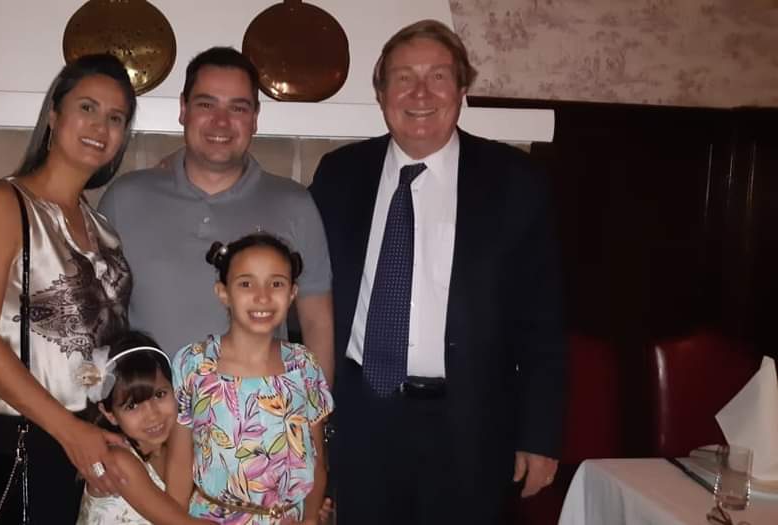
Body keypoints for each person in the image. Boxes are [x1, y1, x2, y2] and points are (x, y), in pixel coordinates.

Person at [307, 19, 568, 523]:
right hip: (361, 419)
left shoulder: (516, 183)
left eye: (438, 76)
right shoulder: (338, 174)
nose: (421, 93)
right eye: (403, 77)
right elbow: (302, 285)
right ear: (381, 93)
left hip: (470, 425)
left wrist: (540, 436)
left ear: (462, 89)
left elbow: (543, 321)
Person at [0, 53, 137, 523]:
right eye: (87, 107)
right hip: (18, 435)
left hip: (90, 439)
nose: (100, 126)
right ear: (54, 115)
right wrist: (70, 433)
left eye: (116, 118)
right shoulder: (1, 202)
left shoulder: (104, 230)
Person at [97, 47, 335, 384]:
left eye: (238, 108)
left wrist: (319, 408)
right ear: (183, 109)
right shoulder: (125, 198)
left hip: (258, 410)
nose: (221, 122)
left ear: (255, 118)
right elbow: (97, 320)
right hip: (150, 409)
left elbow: (317, 323)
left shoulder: (295, 204)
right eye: (206, 105)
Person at [166, 233, 334, 524]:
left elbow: (316, 458)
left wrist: (310, 519)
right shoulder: (194, 363)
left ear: (292, 293)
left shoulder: (303, 364)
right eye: (246, 283)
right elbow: (180, 461)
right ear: (223, 292)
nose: (263, 296)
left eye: (276, 283)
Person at [75, 331, 213, 525]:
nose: (152, 414)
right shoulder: (116, 459)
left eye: (160, 395)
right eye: (132, 406)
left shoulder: (180, 445)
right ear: (110, 414)